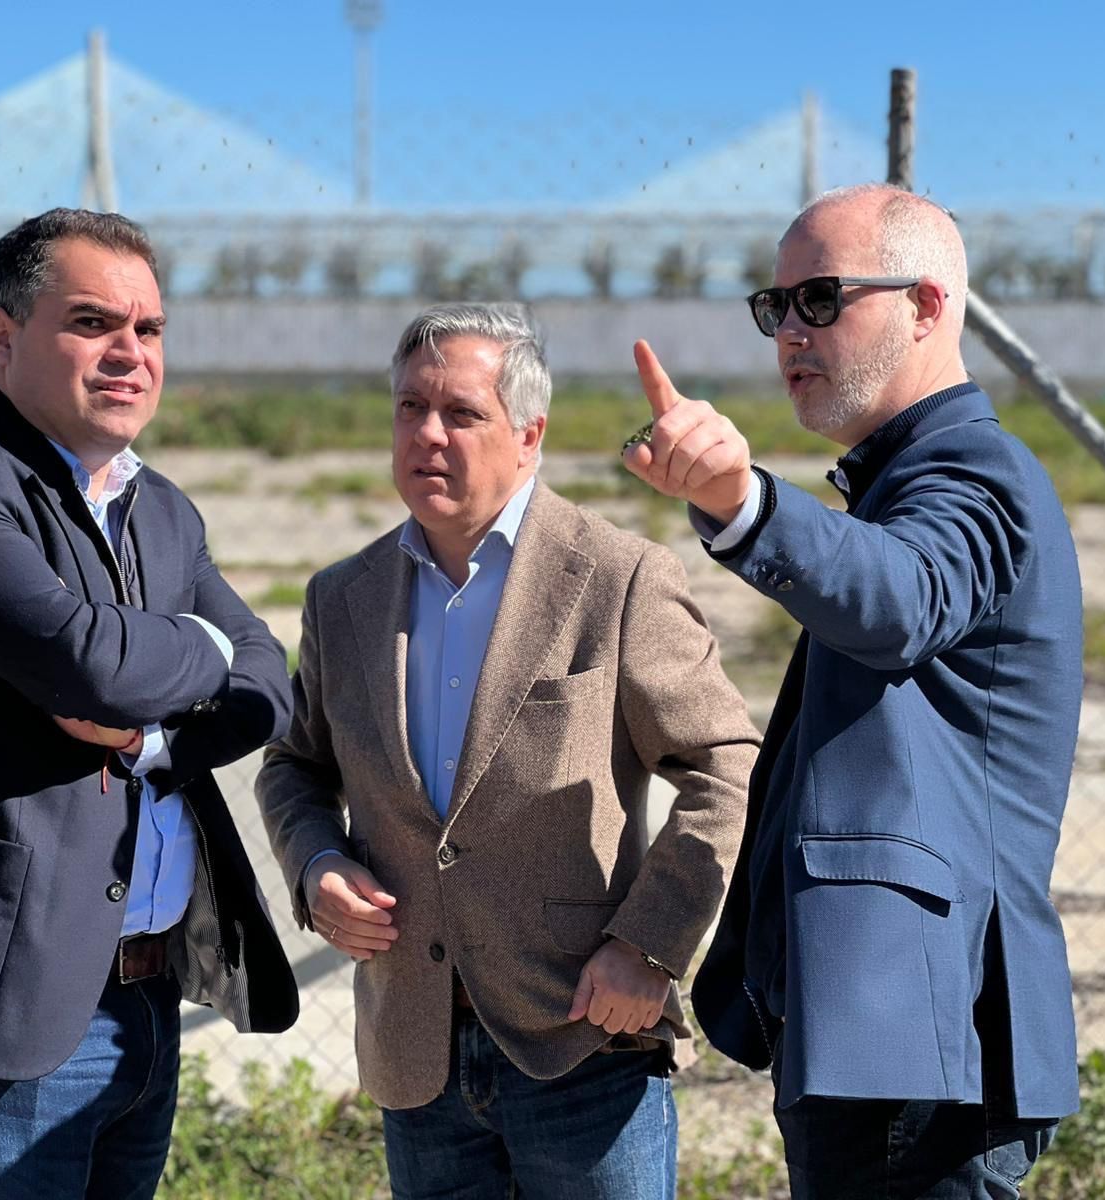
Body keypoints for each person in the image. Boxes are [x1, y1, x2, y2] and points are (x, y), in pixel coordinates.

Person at [0, 207, 299, 1199]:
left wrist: (150, 727)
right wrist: (189, 650)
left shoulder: (161, 510)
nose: (128, 353)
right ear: (2, 336)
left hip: (145, 1006)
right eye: (90, 322)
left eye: (148, 330)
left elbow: (268, 681)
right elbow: (93, 665)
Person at [622, 183, 1083, 1198]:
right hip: (883, 1036)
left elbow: (899, 598)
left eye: (821, 299)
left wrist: (741, 505)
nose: (790, 329)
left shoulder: (974, 471)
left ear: (925, 303)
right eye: (775, 305)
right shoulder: (900, 479)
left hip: (917, 1041)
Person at [257, 302, 758, 1199]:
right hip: (416, 1052)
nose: (429, 434)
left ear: (529, 434)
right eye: (411, 408)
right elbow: (294, 766)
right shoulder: (344, 596)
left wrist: (649, 946)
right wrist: (315, 865)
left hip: (582, 1042)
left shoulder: (617, 577)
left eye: (462, 413)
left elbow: (726, 765)